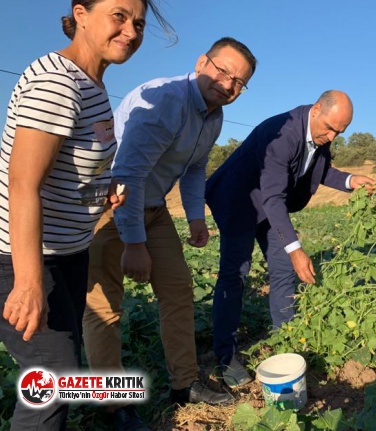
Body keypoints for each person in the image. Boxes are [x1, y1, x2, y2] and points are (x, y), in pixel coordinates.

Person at [0, 1, 170, 429]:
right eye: (119, 15)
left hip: (68, 253)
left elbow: (67, 170)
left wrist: (102, 189)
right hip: (21, 258)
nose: (130, 32)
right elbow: (23, 184)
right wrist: (28, 282)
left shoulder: (91, 86)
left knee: (61, 368)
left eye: (138, 23)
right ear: (80, 13)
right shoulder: (59, 81)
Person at [82, 37, 257, 426]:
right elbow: (126, 176)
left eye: (238, 82)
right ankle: (110, 407)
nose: (227, 84)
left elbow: (194, 167)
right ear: (201, 62)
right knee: (104, 309)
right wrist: (134, 244)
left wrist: (196, 216)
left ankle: (185, 383)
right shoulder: (165, 101)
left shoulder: (212, 115)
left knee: (177, 291)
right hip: (110, 207)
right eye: (222, 71)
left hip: (153, 206)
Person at [205, 90, 375, 389]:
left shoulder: (319, 136)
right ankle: (226, 357)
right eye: (331, 128)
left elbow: (318, 171)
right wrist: (297, 248)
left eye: (341, 132)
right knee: (235, 275)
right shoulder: (282, 132)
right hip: (238, 201)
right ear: (316, 110)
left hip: (269, 202)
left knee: (282, 268)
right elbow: (273, 196)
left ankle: (284, 337)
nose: (334, 137)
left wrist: (350, 180)